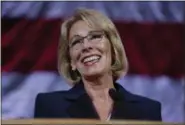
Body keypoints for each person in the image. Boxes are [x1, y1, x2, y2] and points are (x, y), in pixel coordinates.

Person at [34, 8, 162, 121]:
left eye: (95, 37)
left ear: (113, 48)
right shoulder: (50, 106)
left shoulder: (148, 110)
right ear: (71, 61)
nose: (86, 46)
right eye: (77, 42)